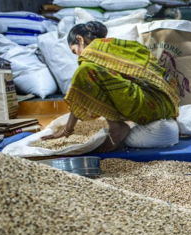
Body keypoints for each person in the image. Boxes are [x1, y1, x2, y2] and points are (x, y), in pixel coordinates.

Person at [41, 21, 180, 152]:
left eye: (74, 50)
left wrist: (67, 130)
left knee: (85, 72)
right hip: (166, 103)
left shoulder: (90, 56)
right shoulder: (121, 45)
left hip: (146, 108)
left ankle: (116, 128)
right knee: (92, 74)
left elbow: (79, 91)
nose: (77, 55)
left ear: (80, 39)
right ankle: (118, 125)